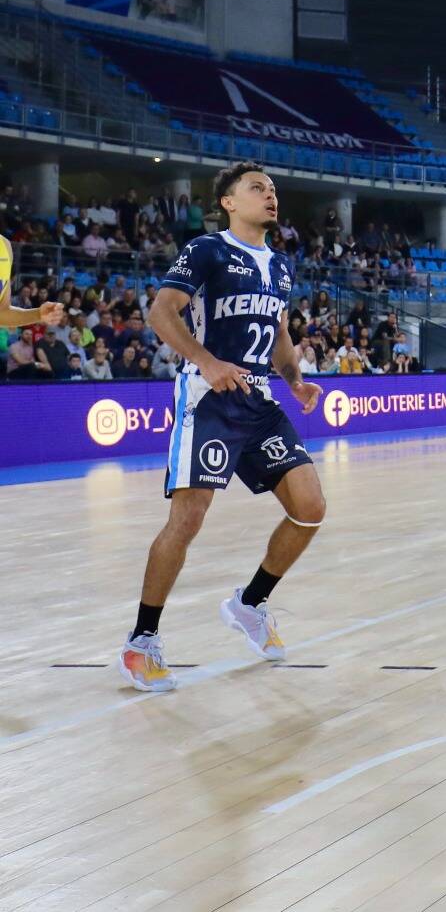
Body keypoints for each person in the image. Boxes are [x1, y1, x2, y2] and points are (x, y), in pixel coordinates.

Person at [118, 164, 324, 694]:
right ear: (229, 202)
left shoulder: (279, 264)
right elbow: (162, 312)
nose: (270, 195)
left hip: (259, 397)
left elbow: (279, 332)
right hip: (209, 397)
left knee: (310, 507)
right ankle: (142, 641)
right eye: (258, 188)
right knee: (187, 520)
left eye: (274, 188)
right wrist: (206, 361)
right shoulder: (208, 249)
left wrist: (295, 380)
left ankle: (249, 604)